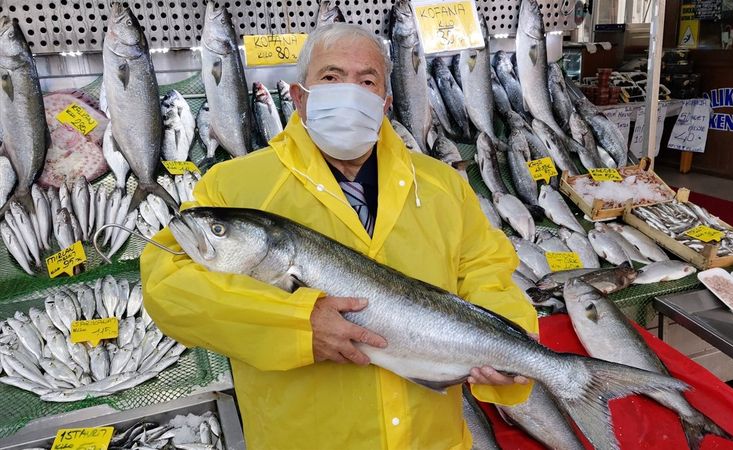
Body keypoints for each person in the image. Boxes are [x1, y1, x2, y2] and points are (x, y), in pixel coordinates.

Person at [141, 23, 538, 449]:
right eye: (330, 77)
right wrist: (295, 324)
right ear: (298, 96)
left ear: (385, 104)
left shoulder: (444, 184)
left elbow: (486, 271)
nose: (349, 91)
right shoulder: (232, 184)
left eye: (367, 81)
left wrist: (513, 343)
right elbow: (170, 290)